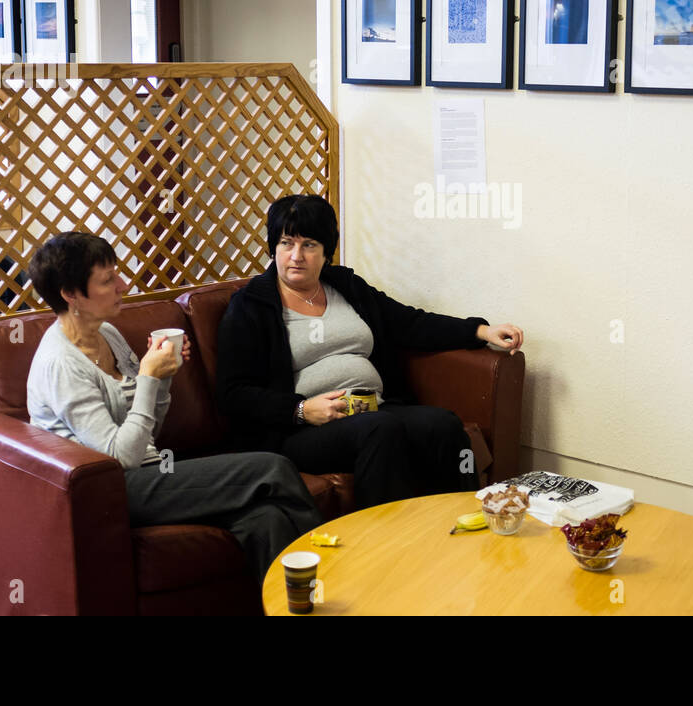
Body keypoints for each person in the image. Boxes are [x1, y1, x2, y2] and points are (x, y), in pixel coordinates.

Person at [25, 231, 321, 582]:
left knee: (266, 519)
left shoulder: (108, 334)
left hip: (152, 470)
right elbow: (121, 456)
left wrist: (163, 379)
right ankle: (338, 572)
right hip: (109, 490)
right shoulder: (61, 364)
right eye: (108, 280)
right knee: (272, 468)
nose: (122, 284)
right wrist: (149, 377)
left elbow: (149, 432)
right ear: (71, 294)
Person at [217, 194, 525, 510]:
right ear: (273, 247)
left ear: (326, 252)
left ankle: (459, 523)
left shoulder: (345, 286)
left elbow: (408, 321)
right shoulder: (251, 306)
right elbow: (233, 393)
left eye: (309, 244)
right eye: (286, 243)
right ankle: (385, 547)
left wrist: (480, 331)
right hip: (302, 430)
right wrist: (300, 409)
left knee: (442, 425)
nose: (296, 255)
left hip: (372, 408)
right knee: (379, 429)